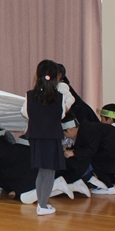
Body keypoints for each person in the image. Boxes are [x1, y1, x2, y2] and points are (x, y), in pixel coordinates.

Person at [22, 59, 74, 216]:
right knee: (49, 171)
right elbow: (62, 114)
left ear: (37, 75)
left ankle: (42, 203)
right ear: (57, 77)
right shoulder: (59, 97)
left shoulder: (30, 95)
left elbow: (25, 112)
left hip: (36, 137)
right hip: (52, 137)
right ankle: (42, 205)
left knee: (41, 170)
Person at [0, 127, 73, 203]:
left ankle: (56, 184)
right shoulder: (5, 146)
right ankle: (72, 186)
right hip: (33, 173)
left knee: (25, 199)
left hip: (29, 176)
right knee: (37, 194)